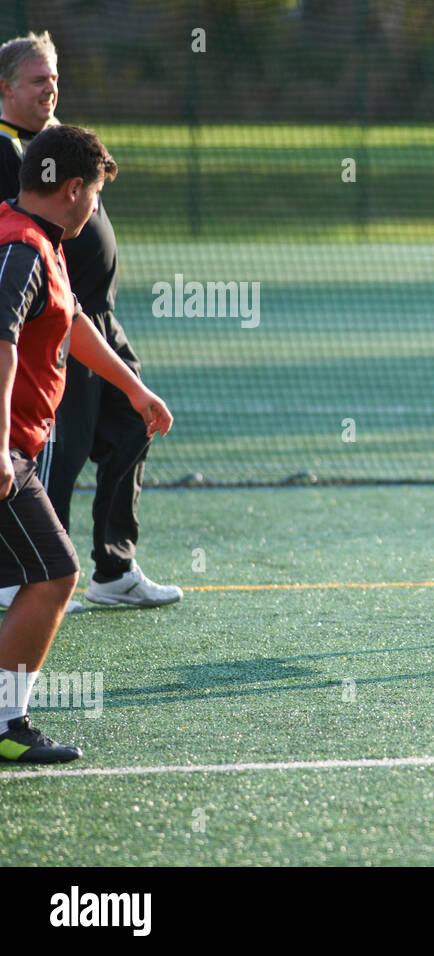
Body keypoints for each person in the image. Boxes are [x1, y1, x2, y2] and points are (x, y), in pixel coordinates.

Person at [0, 124, 173, 762]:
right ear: (73, 190)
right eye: (95, 194)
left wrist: (135, 391)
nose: (95, 206)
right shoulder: (21, 248)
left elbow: (70, 321)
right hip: (6, 451)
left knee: (29, 574)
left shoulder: (33, 239)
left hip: (15, 446)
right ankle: (4, 725)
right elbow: (3, 341)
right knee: (55, 574)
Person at [0, 31, 181, 612]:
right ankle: (21, 570)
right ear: (5, 87)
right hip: (46, 324)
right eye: (37, 79)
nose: (50, 87)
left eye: (54, 77)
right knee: (54, 448)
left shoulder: (60, 143)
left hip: (89, 313)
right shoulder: (11, 159)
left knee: (133, 424)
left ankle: (114, 567)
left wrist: (138, 387)